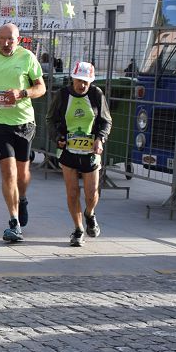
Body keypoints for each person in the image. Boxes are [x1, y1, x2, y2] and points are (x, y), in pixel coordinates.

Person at [0, 23, 47, 242]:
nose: (5, 44)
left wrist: (22, 93)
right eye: (2, 39)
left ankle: (22, 198)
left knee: (22, 174)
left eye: (10, 40)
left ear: (18, 39)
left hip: (23, 122)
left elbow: (41, 87)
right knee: (9, 172)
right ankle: (13, 221)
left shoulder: (28, 57)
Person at [47, 61, 112, 247]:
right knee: (73, 192)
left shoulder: (96, 94)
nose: (82, 85)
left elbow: (106, 121)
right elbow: (50, 119)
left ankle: (89, 214)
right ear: (72, 78)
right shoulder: (62, 95)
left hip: (90, 151)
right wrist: (57, 137)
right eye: (79, 80)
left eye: (86, 81)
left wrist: (100, 139)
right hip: (68, 150)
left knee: (91, 194)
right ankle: (78, 229)